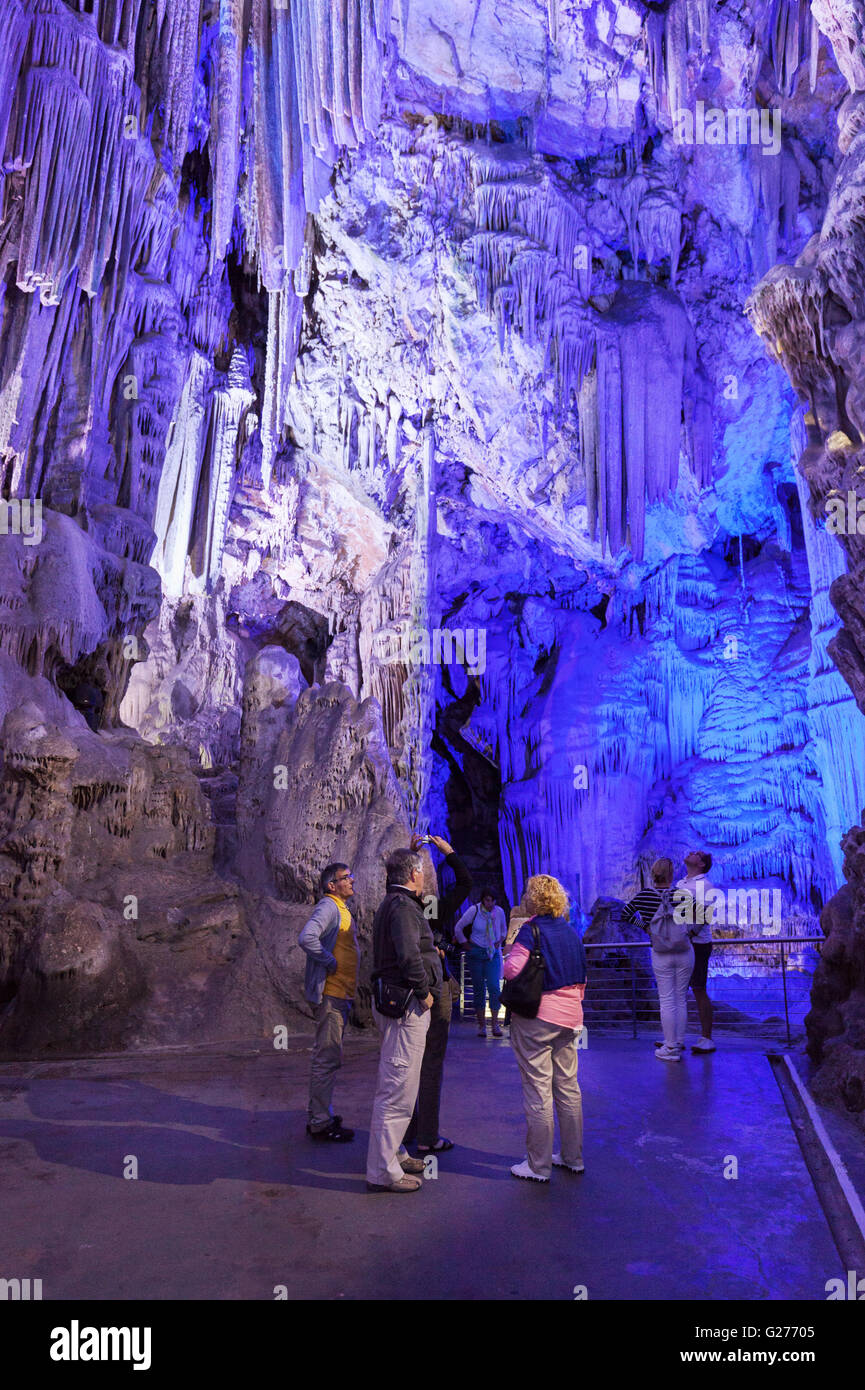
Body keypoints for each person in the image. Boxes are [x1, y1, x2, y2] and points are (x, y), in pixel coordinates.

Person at [503, 874, 587, 1183]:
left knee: (538, 1089)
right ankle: (572, 1157)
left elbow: (512, 970)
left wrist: (507, 956)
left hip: (538, 1018)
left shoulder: (530, 930)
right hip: (571, 1018)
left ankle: (538, 1166)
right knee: (568, 1087)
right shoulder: (571, 931)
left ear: (534, 899)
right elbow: (582, 976)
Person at [365, 848, 438, 1193]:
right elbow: (409, 956)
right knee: (397, 1089)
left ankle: (394, 1151)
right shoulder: (404, 907)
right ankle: (383, 1171)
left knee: (400, 1085)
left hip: (396, 1003)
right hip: (406, 1006)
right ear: (412, 875)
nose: (424, 878)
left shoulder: (393, 903)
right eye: (422, 872)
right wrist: (424, 992)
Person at [402, 833, 472, 1155]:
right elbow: (465, 882)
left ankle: (407, 1128)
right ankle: (427, 1137)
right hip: (434, 989)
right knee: (430, 1063)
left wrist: (410, 853)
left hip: (407, 991)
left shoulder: (402, 906)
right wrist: (450, 851)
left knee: (409, 1063)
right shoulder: (431, 908)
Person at [298, 863, 359, 1141]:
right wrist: (330, 961)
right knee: (326, 1057)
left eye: (350, 876)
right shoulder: (329, 906)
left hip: (339, 994)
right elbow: (306, 937)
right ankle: (320, 1122)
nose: (351, 880)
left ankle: (320, 1113)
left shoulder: (342, 909)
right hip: (331, 995)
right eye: (345, 878)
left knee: (329, 1056)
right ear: (331, 886)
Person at [623, 858, 695, 1062]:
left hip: (661, 951)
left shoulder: (645, 895)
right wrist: (689, 932)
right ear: (672, 875)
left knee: (666, 999)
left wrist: (645, 927)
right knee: (681, 998)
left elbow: (626, 913)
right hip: (684, 951)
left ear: (653, 874)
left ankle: (670, 1047)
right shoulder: (682, 894)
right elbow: (703, 915)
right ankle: (678, 1041)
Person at [678, 850, 716, 1053]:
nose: (691, 853)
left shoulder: (705, 885)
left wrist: (691, 932)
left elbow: (704, 914)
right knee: (678, 990)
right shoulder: (680, 884)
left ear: (701, 864)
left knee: (699, 988)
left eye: (696, 854)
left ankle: (707, 1038)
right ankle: (675, 1036)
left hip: (698, 943)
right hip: (679, 942)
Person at [455, 890, 507, 1037]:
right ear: (483, 900)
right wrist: (465, 944)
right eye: (487, 900)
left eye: (492, 900)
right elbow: (458, 927)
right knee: (478, 988)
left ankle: (495, 1024)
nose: (489, 904)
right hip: (476, 951)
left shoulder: (500, 912)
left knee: (494, 987)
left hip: (493, 953)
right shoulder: (475, 910)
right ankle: (482, 1025)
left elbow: (503, 929)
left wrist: (499, 941)